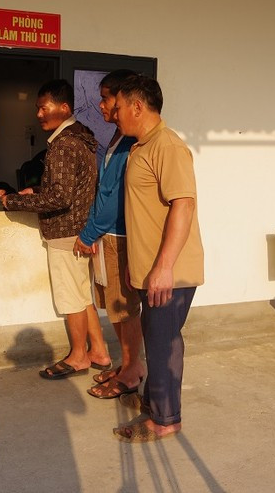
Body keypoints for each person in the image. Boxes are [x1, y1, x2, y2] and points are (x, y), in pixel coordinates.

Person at [111, 74, 204, 442]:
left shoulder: (168, 146)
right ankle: (154, 402)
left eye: (118, 107)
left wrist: (163, 267)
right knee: (156, 338)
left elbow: (184, 205)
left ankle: (166, 421)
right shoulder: (142, 146)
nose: (114, 114)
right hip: (154, 270)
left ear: (137, 106)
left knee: (164, 343)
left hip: (171, 272)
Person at [2, 79, 111, 378]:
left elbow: (60, 197)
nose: (38, 114)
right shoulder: (82, 138)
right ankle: (99, 350)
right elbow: (70, 187)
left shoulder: (63, 144)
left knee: (71, 299)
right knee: (82, 295)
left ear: (63, 108)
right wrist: (35, 191)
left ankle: (79, 357)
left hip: (65, 233)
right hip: (81, 229)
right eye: (37, 108)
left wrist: (13, 201)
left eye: (42, 107)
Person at [72, 70, 144, 400]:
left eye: (106, 98)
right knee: (113, 307)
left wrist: (88, 233)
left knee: (123, 308)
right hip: (108, 235)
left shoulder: (130, 142)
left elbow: (114, 196)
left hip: (118, 236)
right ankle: (128, 363)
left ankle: (132, 370)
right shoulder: (118, 137)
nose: (101, 105)